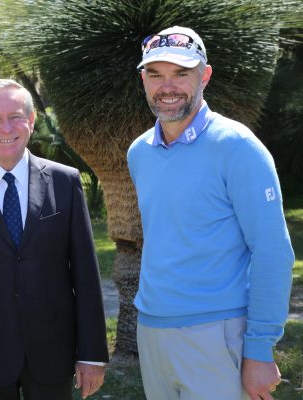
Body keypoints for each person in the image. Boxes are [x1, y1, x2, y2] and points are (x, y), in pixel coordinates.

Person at [128, 26, 295, 400]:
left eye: (181, 73)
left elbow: (272, 252)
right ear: (143, 80)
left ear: (204, 75)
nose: (166, 87)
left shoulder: (238, 148)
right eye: (156, 74)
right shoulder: (139, 152)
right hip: (152, 330)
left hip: (217, 334)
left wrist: (259, 348)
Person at [0, 79, 108, 400]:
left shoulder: (63, 182)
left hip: (53, 351)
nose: (6, 127)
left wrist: (92, 353)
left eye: (15, 116)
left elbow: (85, 274)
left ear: (31, 120)